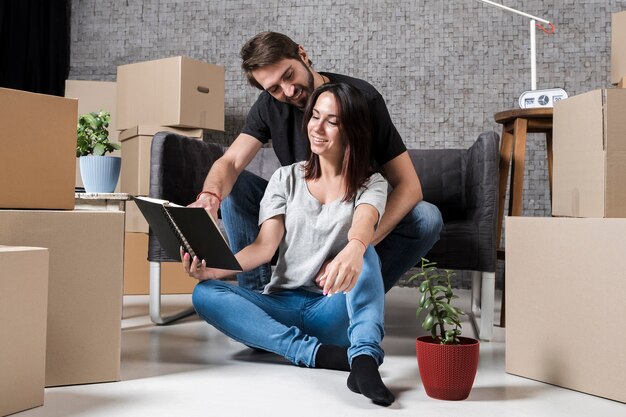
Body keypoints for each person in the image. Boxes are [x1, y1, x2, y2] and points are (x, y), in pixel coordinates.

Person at [183, 83, 394, 406]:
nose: (317, 129)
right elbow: (264, 248)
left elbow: (364, 223)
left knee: (366, 254)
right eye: (314, 117)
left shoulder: (371, 183)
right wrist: (213, 271)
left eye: (332, 121)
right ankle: (316, 354)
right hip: (281, 305)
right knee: (204, 294)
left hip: (330, 309)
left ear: (352, 129)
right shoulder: (286, 178)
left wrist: (354, 248)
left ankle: (364, 360)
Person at [190, 31, 442, 293]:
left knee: (427, 217)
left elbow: (409, 186)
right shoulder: (268, 107)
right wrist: (210, 196)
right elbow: (230, 162)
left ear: (303, 54)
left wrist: (352, 249)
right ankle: (255, 297)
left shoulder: (363, 99)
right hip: (302, 212)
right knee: (237, 187)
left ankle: (349, 295)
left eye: (288, 75)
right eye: (274, 88)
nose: (288, 91)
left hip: (352, 216)